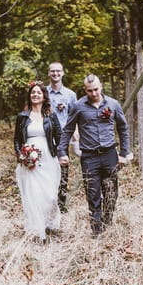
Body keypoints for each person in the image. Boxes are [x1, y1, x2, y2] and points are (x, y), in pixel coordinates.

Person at [57, 74, 132, 236]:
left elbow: (123, 128)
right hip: (89, 157)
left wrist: (124, 152)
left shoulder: (113, 104)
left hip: (109, 154)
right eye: (90, 91)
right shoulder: (78, 106)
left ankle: (107, 222)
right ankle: (96, 230)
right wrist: (62, 151)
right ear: (85, 90)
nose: (93, 93)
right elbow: (68, 129)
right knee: (93, 193)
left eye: (96, 89)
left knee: (111, 192)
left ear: (101, 87)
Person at [14, 81, 62, 240]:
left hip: (48, 157)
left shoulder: (51, 115)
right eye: (33, 92)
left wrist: (59, 153)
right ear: (30, 96)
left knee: (50, 194)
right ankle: (37, 229)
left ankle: (50, 223)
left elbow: (59, 136)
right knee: (33, 193)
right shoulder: (22, 117)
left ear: (43, 96)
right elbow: (17, 140)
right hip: (29, 159)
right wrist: (21, 156)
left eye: (38, 93)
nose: (35, 95)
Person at [46, 62, 79, 213]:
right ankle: (47, 202)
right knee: (46, 168)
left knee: (62, 168)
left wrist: (76, 132)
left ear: (63, 73)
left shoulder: (70, 95)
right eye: (53, 71)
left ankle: (61, 204)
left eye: (58, 71)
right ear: (48, 73)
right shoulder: (43, 92)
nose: (55, 74)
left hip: (63, 137)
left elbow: (75, 115)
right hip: (46, 135)